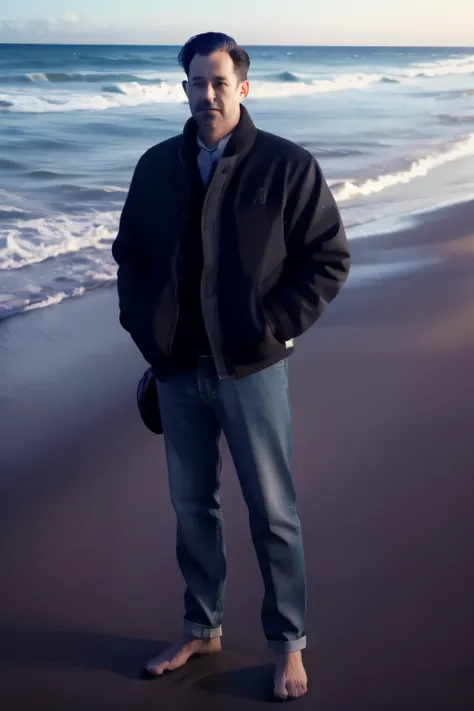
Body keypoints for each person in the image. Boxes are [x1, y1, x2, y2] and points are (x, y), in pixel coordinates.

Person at [112, 32, 350, 701]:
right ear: (183, 88)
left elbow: (327, 258)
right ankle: (202, 625)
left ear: (243, 88)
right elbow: (129, 254)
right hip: (177, 370)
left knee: (273, 512)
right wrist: (146, 334)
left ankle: (289, 644)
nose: (207, 95)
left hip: (252, 369)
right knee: (193, 509)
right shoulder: (158, 165)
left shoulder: (285, 166)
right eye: (196, 82)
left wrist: (271, 328)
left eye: (219, 82)